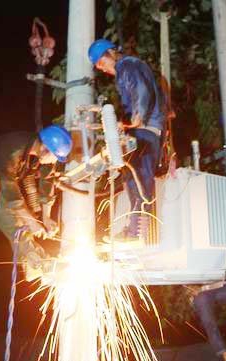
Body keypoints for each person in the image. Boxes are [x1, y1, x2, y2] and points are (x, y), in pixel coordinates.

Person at [0, 125, 72, 280]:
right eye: (55, 156)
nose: (55, 160)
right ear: (45, 149)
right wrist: (32, 222)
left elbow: (47, 181)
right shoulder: (13, 149)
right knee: (12, 221)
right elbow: (11, 193)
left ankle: (32, 266)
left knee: (27, 218)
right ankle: (41, 264)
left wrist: (46, 217)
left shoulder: (41, 153)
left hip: (12, 175)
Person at [88, 39, 166, 240]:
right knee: (135, 179)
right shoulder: (131, 67)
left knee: (137, 179)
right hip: (147, 130)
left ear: (111, 53)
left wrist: (137, 116)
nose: (102, 68)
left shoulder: (126, 65)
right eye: (99, 66)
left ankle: (135, 233)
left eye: (102, 63)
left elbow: (140, 90)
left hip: (144, 131)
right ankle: (136, 230)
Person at [190, 283, 226, 361]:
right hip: (203, 294)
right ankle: (225, 354)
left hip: (219, 287)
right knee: (201, 300)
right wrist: (192, 290)